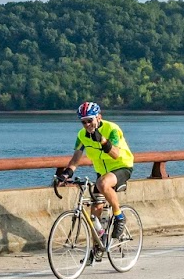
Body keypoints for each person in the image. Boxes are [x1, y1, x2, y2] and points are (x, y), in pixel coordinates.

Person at [56, 102, 135, 240]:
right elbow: (76, 159)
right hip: (102, 172)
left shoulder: (112, 129)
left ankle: (119, 217)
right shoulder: (82, 135)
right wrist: (66, 174)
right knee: (94, 216)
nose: (87, 125)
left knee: (103, 183)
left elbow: (115, 154)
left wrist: (103, 140)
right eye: (83, 122)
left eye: (89, 120)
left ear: (99, 117)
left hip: (122, 166)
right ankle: (97, 246)